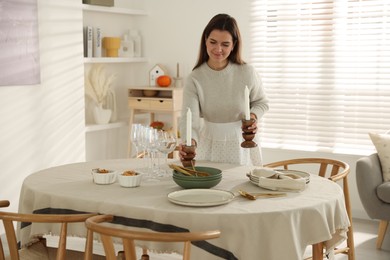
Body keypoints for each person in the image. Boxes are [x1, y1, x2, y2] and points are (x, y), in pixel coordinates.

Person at [179, 13, 269, 166]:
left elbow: (261, 103)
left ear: (234, 45)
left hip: (242, 143)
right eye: (213, 42)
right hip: (208, 143)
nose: (218, 49)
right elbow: (189, 120)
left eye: (225, 44)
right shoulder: (195, 78)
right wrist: (189, 143)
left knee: (242, 187)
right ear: (205, 41)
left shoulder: (247, 72)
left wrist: (252, 118)